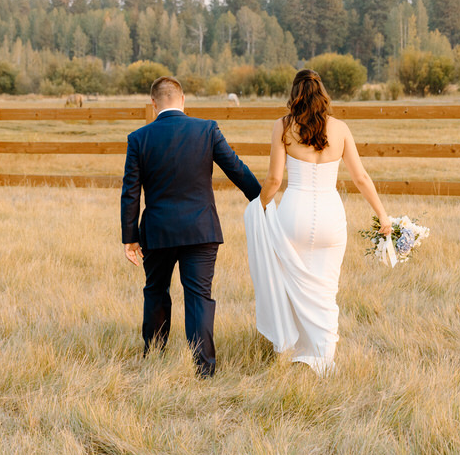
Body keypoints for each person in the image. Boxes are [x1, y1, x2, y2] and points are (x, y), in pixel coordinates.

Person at [244, 69, 391, 374]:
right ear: (323, 94)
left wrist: (259, 206)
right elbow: (361, 178)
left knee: (293, 283)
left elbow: (273, 179)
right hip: (330, 215)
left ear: (295, 95)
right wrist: (383, 216)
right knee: (326, 287)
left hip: (293, 214)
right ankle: (323, 356)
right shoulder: (341, 129)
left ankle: (300, 349)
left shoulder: (283, 127)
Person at [120, 76, 261, 377]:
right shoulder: (206, 129)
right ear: (183, 101)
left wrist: (130, 238)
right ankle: (204, 368)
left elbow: (130, 192)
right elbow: (236, 169)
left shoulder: (138, 138)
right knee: (198, 296)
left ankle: (154, 357)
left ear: (153, 104)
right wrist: (263, 200)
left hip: (158, 232)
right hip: (201, 229)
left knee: (156, 291)